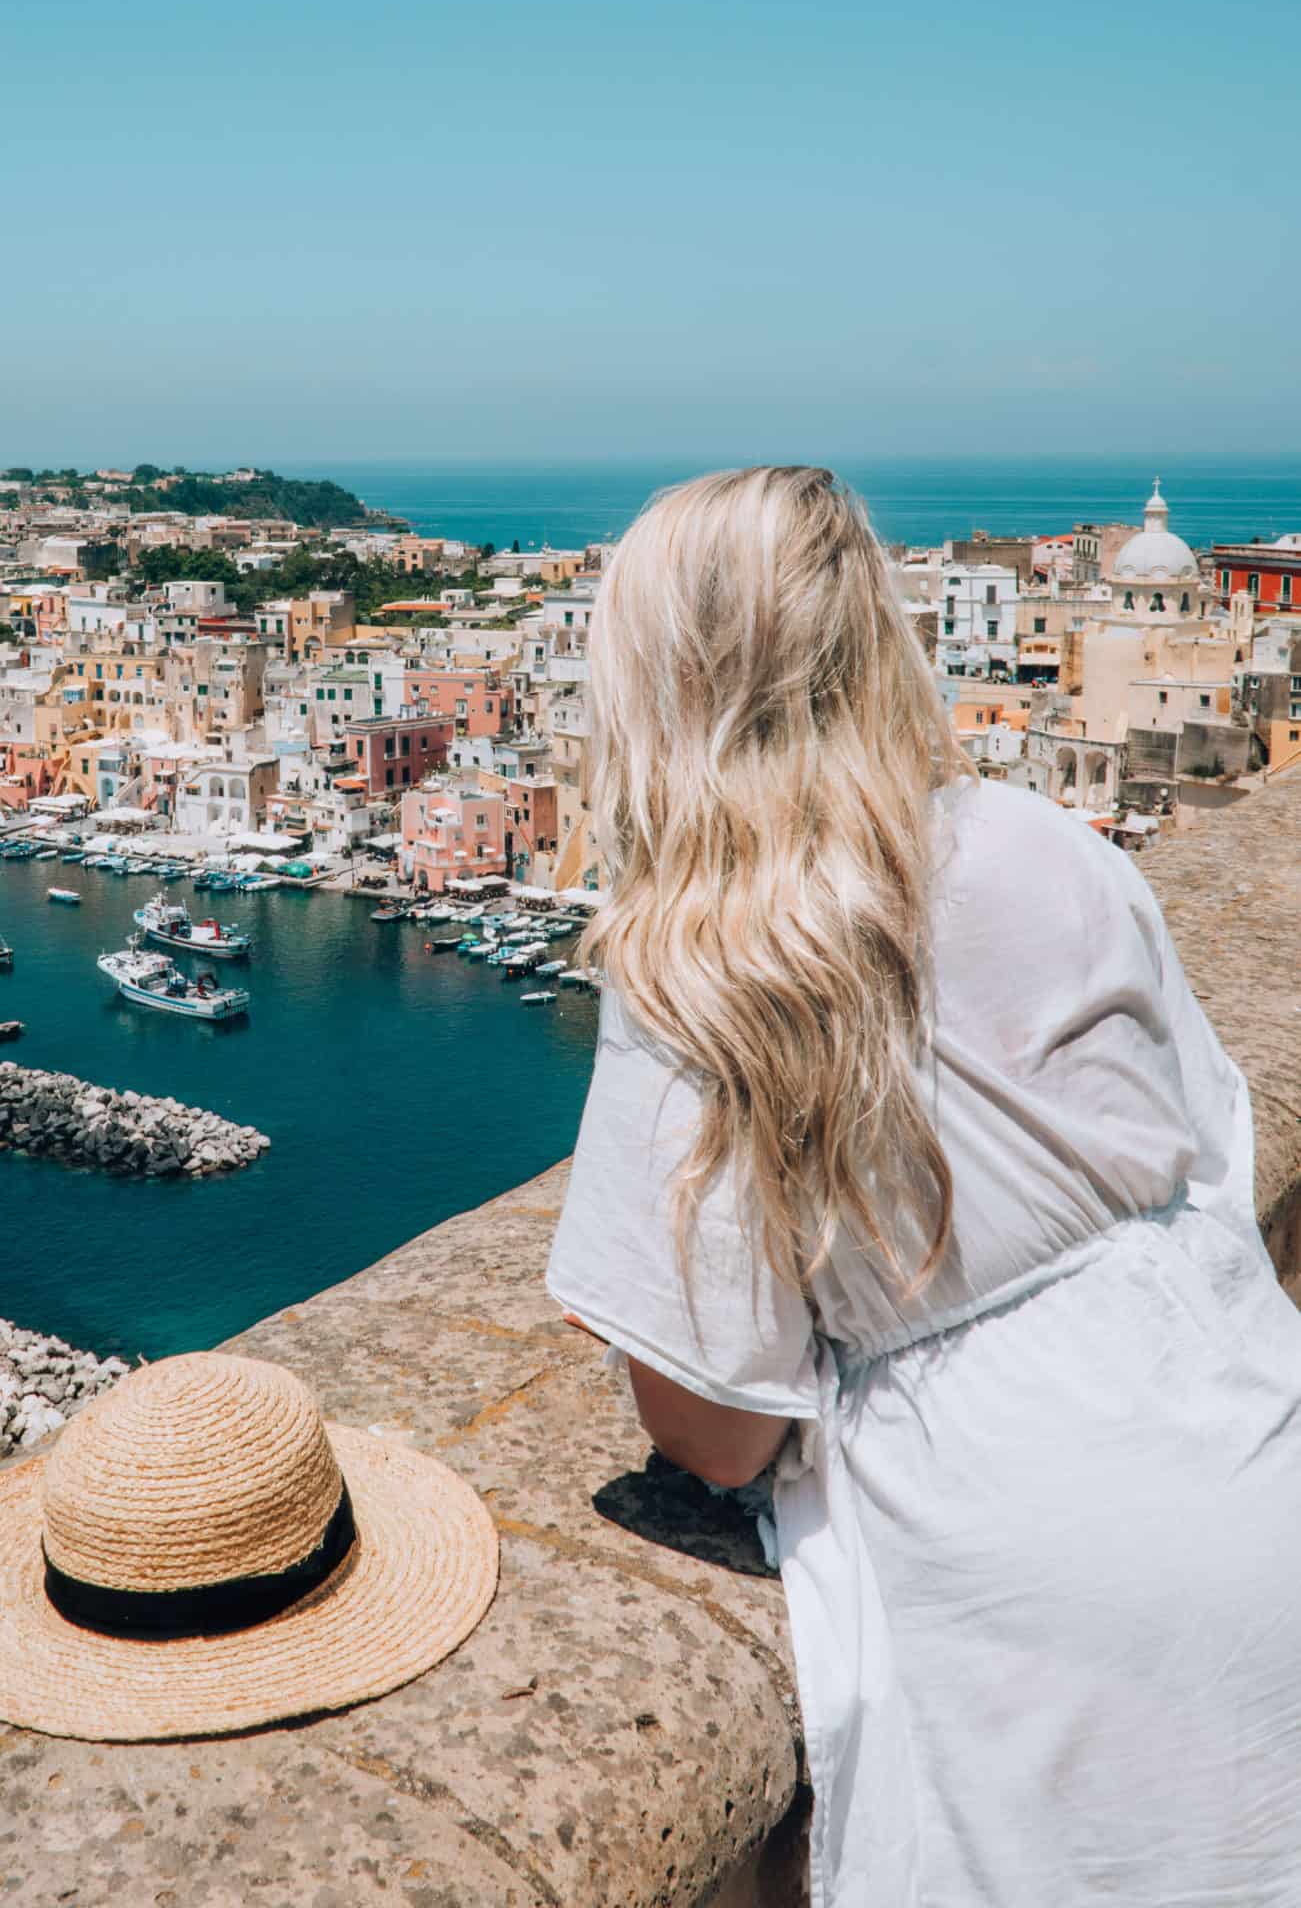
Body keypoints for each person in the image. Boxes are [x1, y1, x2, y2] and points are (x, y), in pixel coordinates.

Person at [547, 467, 1301, 1907]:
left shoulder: (705, 960)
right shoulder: (1050, 842)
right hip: (1252, 1435)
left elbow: (714, 1433)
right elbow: (1212, 1143)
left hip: (1041, 1580)